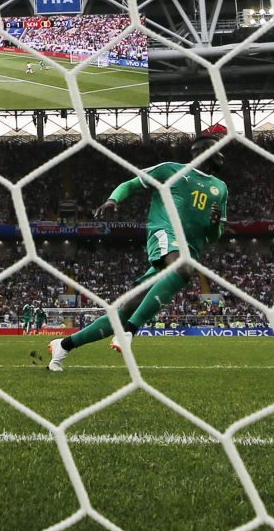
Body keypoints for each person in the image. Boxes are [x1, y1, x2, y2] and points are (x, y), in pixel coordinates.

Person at [47, 136, 229, 372]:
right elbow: (131, 184)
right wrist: (113, 199)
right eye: (218, 149)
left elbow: (214, 235)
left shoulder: (220, 188)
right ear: (203, 151)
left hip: (189, 248)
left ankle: (64, 345)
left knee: (126, 311)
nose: (223, 155)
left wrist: (214, 224)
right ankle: (130, 333)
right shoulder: (170, 170)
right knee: (183, 268)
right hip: (165, 234)